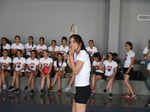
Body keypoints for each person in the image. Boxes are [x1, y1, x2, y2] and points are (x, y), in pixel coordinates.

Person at [68, 34, 91, 112]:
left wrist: (71, 57)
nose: (71, 44)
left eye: (74, 42)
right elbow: (72, 68)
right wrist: (69, 58)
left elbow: (75, 71)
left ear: (80, 43)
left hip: (83, 88)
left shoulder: (83, 54)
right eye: (70, 42)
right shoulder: (76, 54)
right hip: (78, 87)